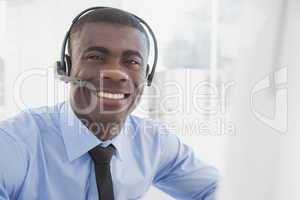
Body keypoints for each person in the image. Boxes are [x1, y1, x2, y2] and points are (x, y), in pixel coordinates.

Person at [0, 7, 219, 200]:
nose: (115, 74)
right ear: (67, 68)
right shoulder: (15, 143)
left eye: (132, 61)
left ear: (147, 76)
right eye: (96, 57)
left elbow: (216, 190)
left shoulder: (154, 143)